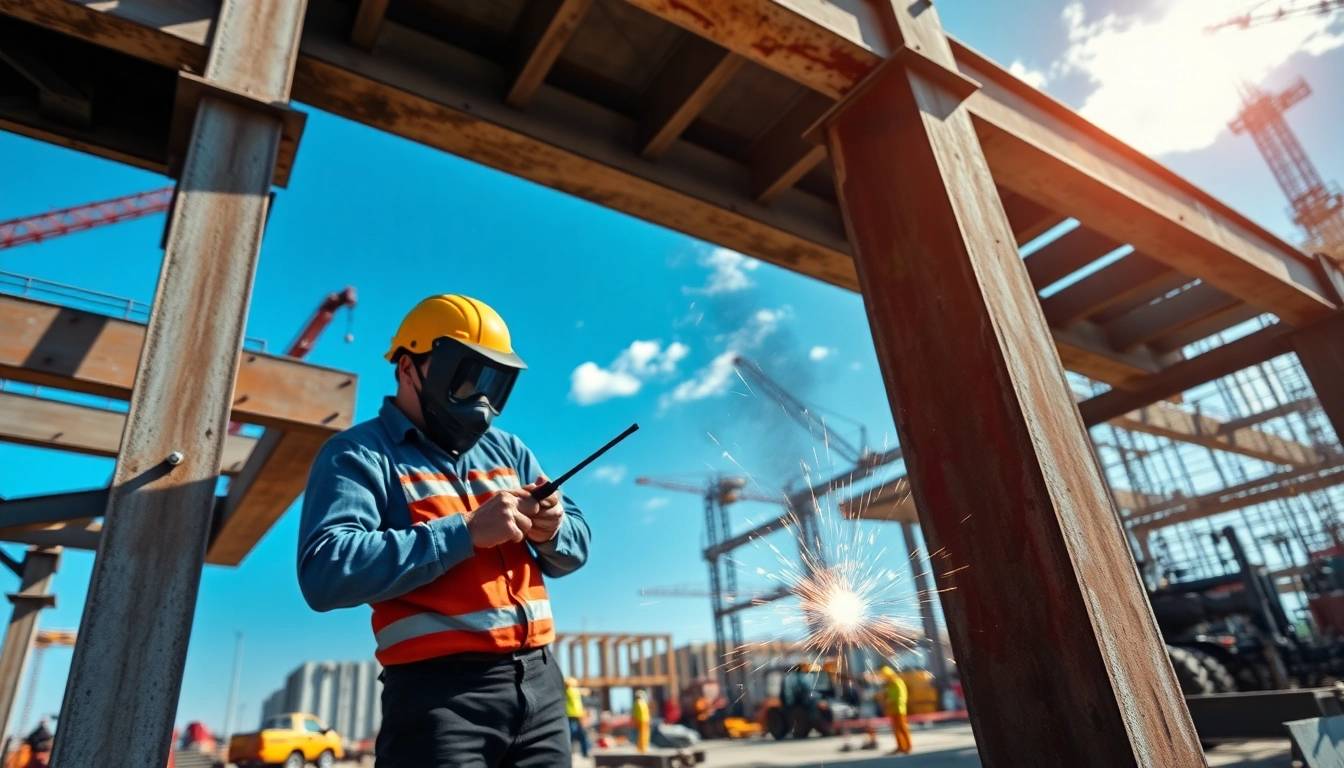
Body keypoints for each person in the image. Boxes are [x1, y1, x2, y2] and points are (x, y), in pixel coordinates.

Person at [298, 294, 591, 768]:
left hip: (541, 687)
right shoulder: (359, 453)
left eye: (492, 382)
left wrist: (552, 529)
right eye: (466, 376)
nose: (480, 397)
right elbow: (326, 570)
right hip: (437, 701)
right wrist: (466, 532)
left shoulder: (509, 452)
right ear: (408, 367)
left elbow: (574, 550)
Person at [881, 667, 912, 756]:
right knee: (896, 729)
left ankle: (908, 747)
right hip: (892, 709)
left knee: (903, 728)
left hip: (899, 709)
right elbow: (888, 695)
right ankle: (900, 746)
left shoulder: (897, 682)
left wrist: (894, 702)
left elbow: (901, 695)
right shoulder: (889, 684)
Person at [565, 677, 591, 758]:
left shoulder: (568, 692)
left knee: (577, 735)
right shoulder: (573, 691)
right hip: (574, 716)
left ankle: (580, 752)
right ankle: (583, 752)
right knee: (576, 735)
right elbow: (585, 692)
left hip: (574, 716)